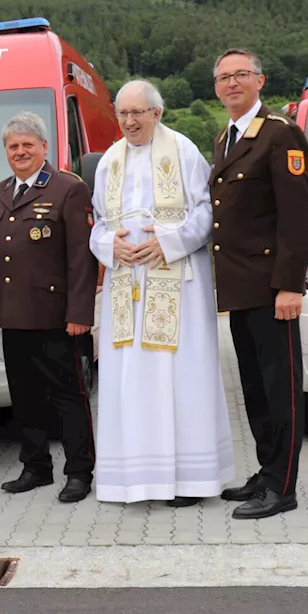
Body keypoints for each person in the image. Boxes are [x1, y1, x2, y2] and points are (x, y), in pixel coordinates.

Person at [88, 82, 235, 506]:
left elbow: (208, 212)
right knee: (130, 381)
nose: (131, 122)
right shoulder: (108, 162)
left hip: (177, 288)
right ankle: (135, 480)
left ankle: (190, 481)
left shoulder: (183, 150)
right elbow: (98, 222)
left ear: (158, 113)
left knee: (180, 380)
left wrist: (167, 242)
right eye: (123, 114)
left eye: (139, 113)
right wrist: (108, 246)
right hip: (126, 285)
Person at [210, 48, 308, 519]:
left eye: (241, 75)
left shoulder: (280, 134)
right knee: (254, 388)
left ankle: (284, 486)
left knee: (281, 389)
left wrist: (290, 286)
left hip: (273, 291)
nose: (232, 83)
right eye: (224, 77)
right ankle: (266, 471)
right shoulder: (225, 138)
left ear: (260, 80)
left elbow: (297, 217)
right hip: (239, 290)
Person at [0, 112, 97, 503]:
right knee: (25, 397)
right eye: (13, 146)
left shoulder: (67, 189)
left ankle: (79, 471)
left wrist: (80, 314)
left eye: (28, 144)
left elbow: (82, 259)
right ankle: (35, 466)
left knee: (67, 396)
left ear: (44, 147)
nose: (20, 151)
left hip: (55, 317)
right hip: (13, 315)